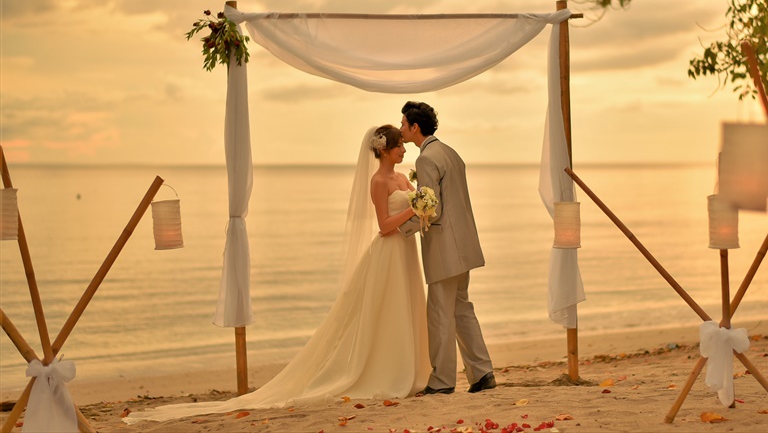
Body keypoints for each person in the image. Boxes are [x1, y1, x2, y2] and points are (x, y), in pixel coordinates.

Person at [125, 125, 430, 424]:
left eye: (403, 145)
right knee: (389, 311)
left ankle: (410, 369)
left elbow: (407, 214)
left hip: (405, 252)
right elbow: (384, 225)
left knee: (407, 308)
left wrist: (420, 206)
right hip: (388, 254)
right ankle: (390, 372)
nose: (404, 149)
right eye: (399, 145)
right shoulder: (378, 181)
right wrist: (413, 209)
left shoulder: (403, 177)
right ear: (383, 150)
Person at [397, 101, 496, 395]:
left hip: (444, 246)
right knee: (462, 309)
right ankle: (483, 374)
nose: (401, 129)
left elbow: (432, 209)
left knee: (440, 313)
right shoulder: (451, 153)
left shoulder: (427, 159)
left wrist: (402, 229)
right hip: (464, 245)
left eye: (403, 124)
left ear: (415, 127)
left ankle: (442, 381)